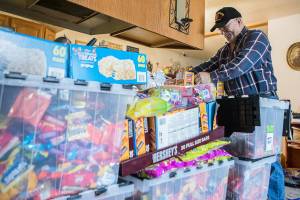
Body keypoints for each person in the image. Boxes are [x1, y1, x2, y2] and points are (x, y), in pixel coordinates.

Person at [190, 7, 284, 200]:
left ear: (239, 21)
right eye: (221, 30)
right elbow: (207, 65)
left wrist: (212, 77)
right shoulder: (224, 50)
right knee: (240, 155)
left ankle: (276, 197)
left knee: (267, 157)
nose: (224, 33)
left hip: (264, 104)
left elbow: (241, 65)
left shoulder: (257, 37)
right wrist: (186, 73)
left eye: (226, 27)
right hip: (237, 106)